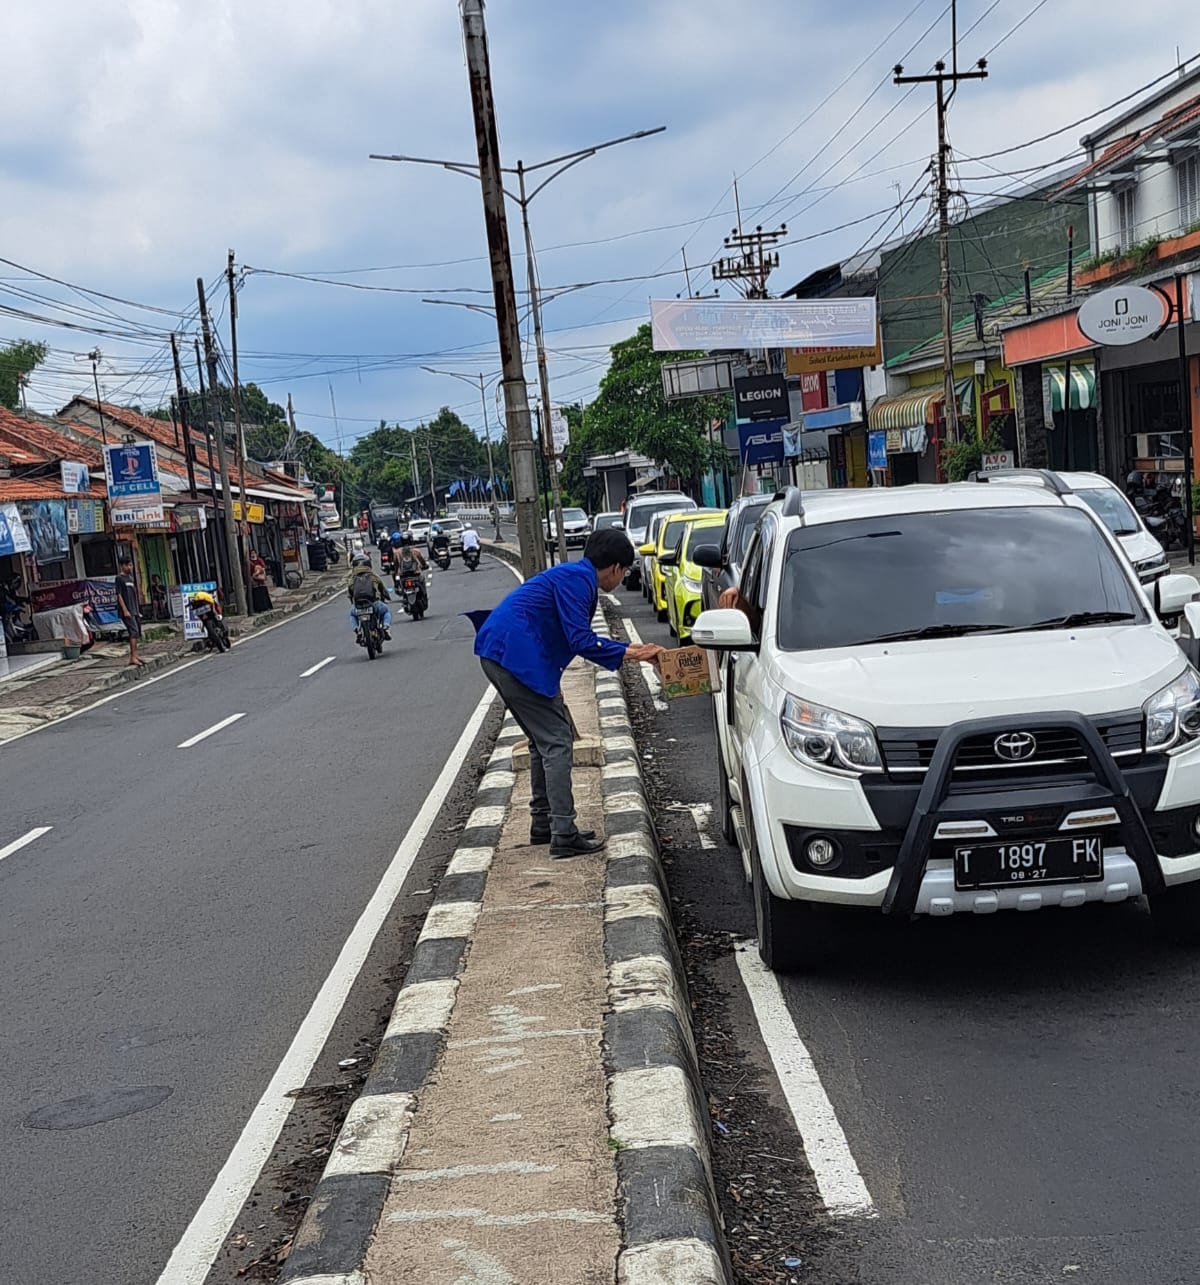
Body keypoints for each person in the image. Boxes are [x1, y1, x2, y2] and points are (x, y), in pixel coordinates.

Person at [474, 528, 663, 857]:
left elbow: (571, 636)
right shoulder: (578, 581)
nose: (621, 579)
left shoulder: (575, 575)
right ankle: (563, 832)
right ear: (616, 568)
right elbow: (581, 639)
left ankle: (544, 822)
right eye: (625, 572)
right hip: (513, 656)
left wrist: (628, 650)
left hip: (503, 652)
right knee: (558, 741)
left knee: (541, 739)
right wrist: (633, 653)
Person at [346, 553, 391, 638]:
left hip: (358, 606)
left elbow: (350, 594)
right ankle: (385, 627)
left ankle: (357, 630)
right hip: (374, 603)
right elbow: (383, 589)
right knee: (386, 611)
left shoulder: (352, 579)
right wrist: (387, 597)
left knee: (352, 614)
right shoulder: (373, 576)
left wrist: (353, 602)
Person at [114, 556, 143, 667]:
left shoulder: (130, 578)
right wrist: (125, 610)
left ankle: (135, 655)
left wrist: (137, 610)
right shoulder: (119, 578)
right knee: (133, 632)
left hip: (134, 609)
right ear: (123, 566)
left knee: (137, 632)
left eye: (131, 565)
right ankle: (132, 657)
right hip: (127, 610)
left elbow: (134, 594)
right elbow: (119, 595)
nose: (131, 567)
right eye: (129, 565)